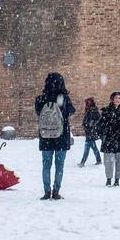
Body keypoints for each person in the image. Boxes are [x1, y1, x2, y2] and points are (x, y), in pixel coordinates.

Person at [34, 72, 75, 200]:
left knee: (46, 166)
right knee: (59, 166)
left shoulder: (41, 98)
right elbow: (71, 111)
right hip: (61, 136)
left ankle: (47, 192)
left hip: (46, 137)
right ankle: (56, 191)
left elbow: (38, 113)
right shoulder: (63, 98)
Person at [78, 96, 102, 166]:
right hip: (89, 132)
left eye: (87, 102)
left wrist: (90, 125)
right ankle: (99, 160)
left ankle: (82, 162)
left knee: (87, 148)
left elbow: (98, 120)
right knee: (94, 147)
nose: (86, 104)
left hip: (91, 132)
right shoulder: (89, 110)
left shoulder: (93, 110)